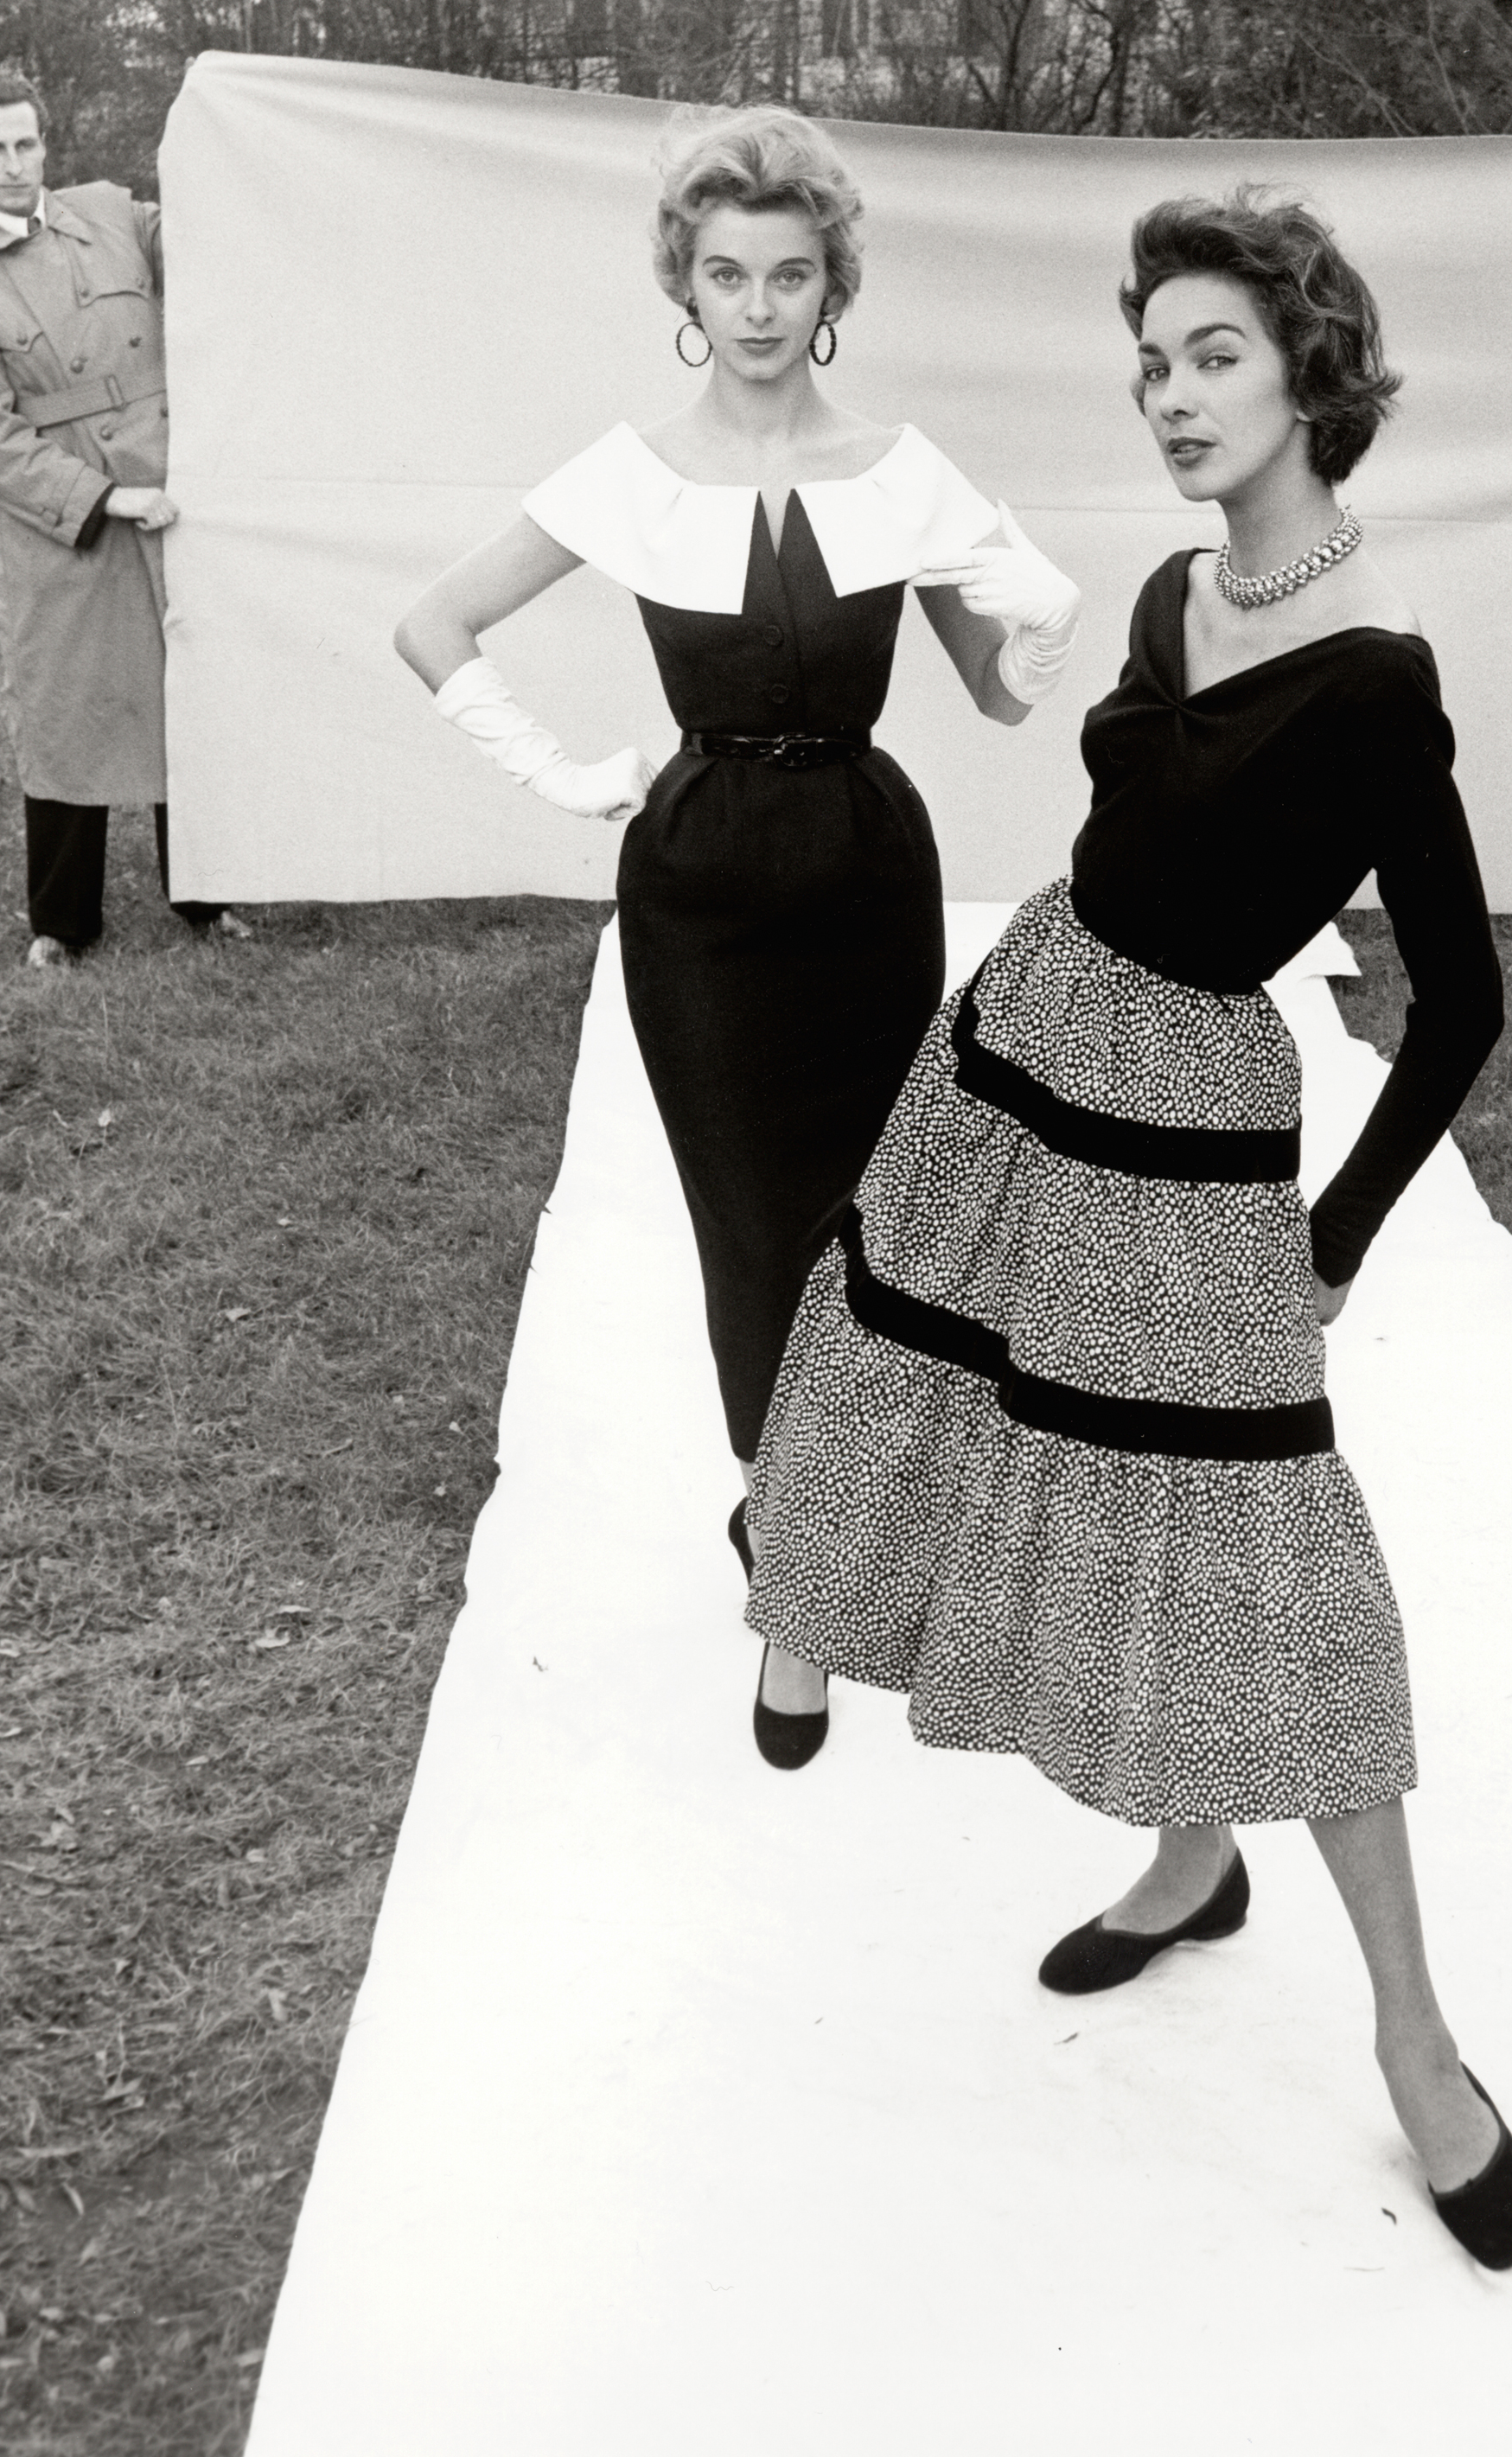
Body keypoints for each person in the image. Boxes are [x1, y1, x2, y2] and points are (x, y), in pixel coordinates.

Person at [744, 190, 1512, 2269]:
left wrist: (1337, 1238)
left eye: (1212, 357)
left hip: (1188, 1131)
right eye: (1150, 362)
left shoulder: (1376, 676)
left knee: (1266, 1569)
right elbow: (1132, 826)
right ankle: (1193, 1858)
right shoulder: (1179, 588)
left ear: (1308, 374)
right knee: (987, 1430)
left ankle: (1415, 2041)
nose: (1169, 396)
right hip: (1023, 1046)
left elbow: (1460, 999)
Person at [393, 105, 1081, 1765]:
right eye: (726, 274)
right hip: (698, 887)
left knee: (870, 1216)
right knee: (746, 1224)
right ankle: (789, 1563)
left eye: (787, 273)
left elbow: (995, 696)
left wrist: (1041, 627)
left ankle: (827, 1528)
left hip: (864, 868)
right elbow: (434, 623)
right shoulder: (631, 474)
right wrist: (558, 772)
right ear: (683, 289)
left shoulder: (900, 472)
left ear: (831, 285)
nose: (758, 306)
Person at [0, 65, 247, 967]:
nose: (15, 163)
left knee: (190, 692)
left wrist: (238, 143)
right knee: (69, 709)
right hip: (69, 518)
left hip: (173, 489)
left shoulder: (109, 211)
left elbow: (215, 238)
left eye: (27, 142)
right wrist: (101, 497)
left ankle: (207, 899)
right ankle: (62, 923)